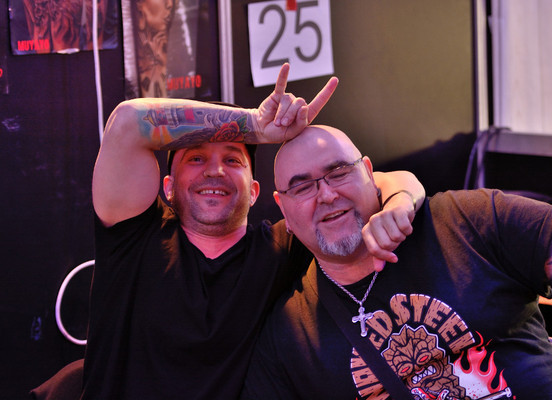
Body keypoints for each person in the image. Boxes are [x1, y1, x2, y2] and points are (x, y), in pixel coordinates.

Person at [76, 64, 425, 400]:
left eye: (232, 160)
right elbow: (128, 122)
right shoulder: (132, 238)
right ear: (167, 187)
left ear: (255, 191)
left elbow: (372, 183)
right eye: (196, 159)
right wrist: (256, 126)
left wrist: (399, 202)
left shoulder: (282, 248)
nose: (215, 171)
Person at [241, 125, 552, 400]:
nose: (327, 194)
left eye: (338, 172)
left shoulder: (465, 222)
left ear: (369, 173)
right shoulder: (288, 336)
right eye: (302, 187)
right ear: (283, 209)